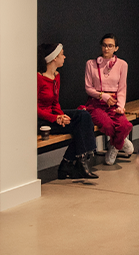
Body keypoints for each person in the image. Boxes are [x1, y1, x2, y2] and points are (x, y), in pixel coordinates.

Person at [38, 44, 97, 180]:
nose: (64, 57)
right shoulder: (39, 78)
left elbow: (55, 103)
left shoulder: (56, 76)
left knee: (83, 116)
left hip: (53, 115)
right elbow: (33, 108)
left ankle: (74, 162)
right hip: (42, 121)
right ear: (53, 58)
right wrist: (55, 118)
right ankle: (73, 162)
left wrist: (61, 115)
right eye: (62, 54)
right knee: (79, 127)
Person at [85, 34, 134, 163]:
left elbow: (122, 88)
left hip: (114, 103)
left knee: (125, 125)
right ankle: (121, 142)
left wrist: (120, 107)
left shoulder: (122, 64)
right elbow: (88, 88)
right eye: (104, 45)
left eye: (110, 46)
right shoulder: (91, 64)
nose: (107, 49)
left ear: (116, 48)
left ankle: (114, 146)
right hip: (96, 102)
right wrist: (104, 96)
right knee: (107, 125)